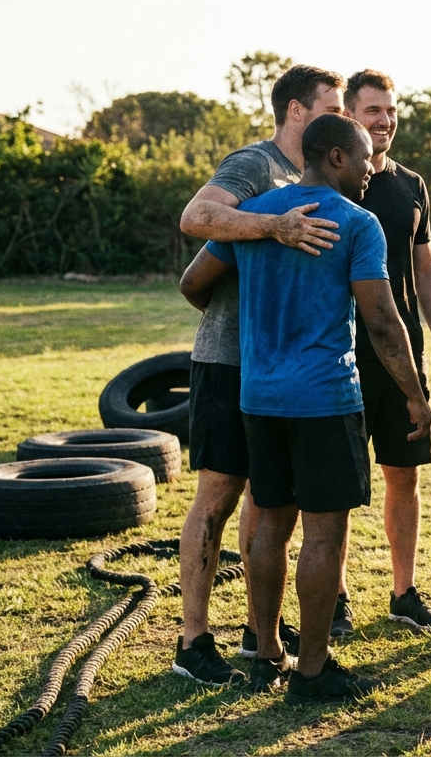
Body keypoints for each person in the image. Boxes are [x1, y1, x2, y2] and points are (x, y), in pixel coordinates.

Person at [180, 114, 431, 704]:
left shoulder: (261, 216)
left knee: (270, 522)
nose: (374, 169)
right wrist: (414, 395)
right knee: (324, 535)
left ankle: (266, 650)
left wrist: (258, 323)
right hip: (324, 398)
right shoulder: (356, 223)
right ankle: (312, 670)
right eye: (366, 157)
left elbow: (195, 283)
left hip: (258, 397)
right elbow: (382, 323)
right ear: (338, 157)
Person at [172, 64, 345, 687]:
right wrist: (273, 227)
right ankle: (193, 642)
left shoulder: (319, 180)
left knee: (270, 504)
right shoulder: (254, 165)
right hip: (228, 363)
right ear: (297, 111)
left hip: (282, 374)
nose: (344, 117)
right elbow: (197, 222)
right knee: (217, 498)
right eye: (333, 105)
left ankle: (259, 635)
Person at [341, 69, 431, 634]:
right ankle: (335, 596)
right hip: (339, 353)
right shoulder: (334, 182)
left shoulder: (411, 183)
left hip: (401, 356)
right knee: (338, 480)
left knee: (403, 475)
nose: (384, 121)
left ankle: (404, 591)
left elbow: (425, 266)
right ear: (348, 117)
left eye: (391, 111)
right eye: (372, 112)